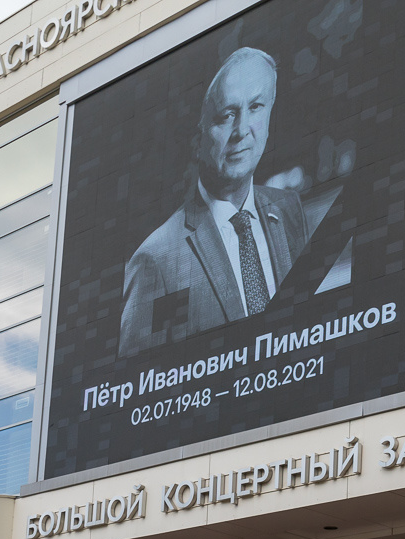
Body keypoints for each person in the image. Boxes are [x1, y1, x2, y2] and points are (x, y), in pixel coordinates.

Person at [118, 47, 309, 357]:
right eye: (226, 115)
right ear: (198, 138)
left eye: (256, 107)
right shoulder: (156, 260)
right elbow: (138, 383)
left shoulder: (288, 209)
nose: (242, 130)